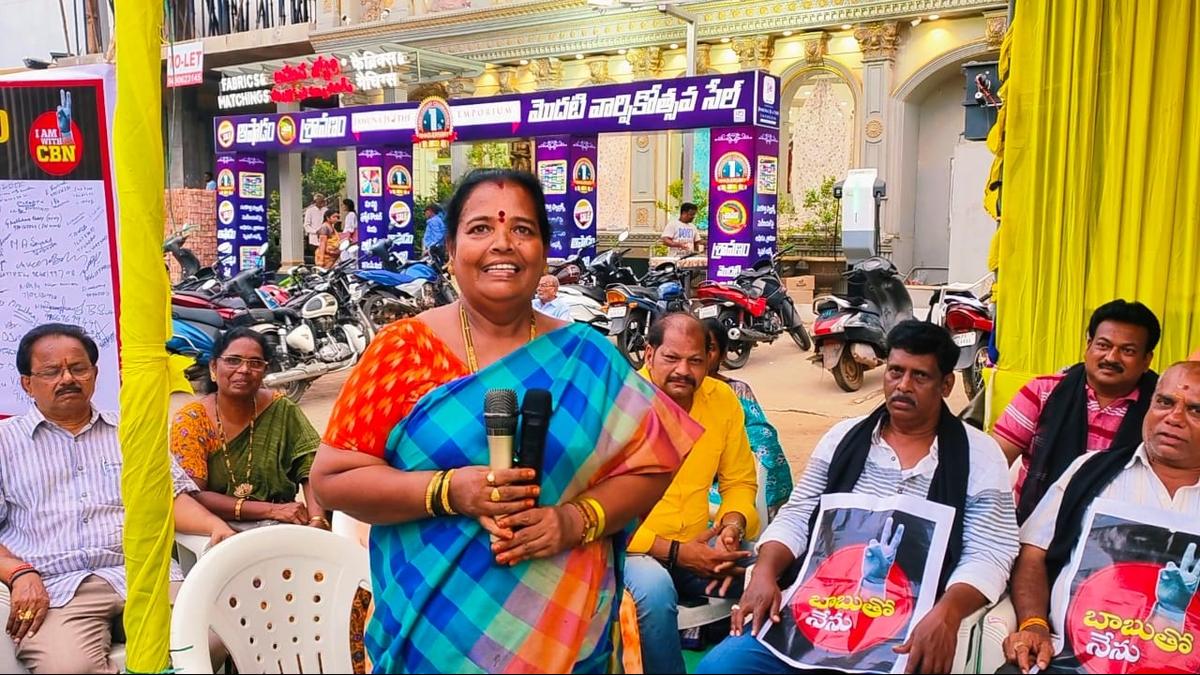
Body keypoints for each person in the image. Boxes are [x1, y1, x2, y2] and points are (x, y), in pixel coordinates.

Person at [309, 168, 701, 673]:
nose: (503, 244)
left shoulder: (587, 355)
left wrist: (572, 522)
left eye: (522, 229)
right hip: (433, 643)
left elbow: (654, 462)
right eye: (480, 229)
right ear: (450, 250)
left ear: (542, 250)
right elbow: (334, 478)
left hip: (565, 641)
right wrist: (448, 491)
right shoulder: (402, 351)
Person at [698, 321, 1019, 675]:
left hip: (910, 617)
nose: (903, 386)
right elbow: (798, 515)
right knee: (721, 666)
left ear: (946, 385)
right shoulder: (843, 438)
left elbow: (990, 551)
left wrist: (947, 612)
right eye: (895, 371)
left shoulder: (979, 455)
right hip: (820, 604)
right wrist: (765, 572)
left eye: (920, 377)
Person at [0, 323, 234, 673]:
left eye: (78, 368)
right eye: (51, 371)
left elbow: (168, 498)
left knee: (211, 637)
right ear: (27, 383)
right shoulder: (4, 442)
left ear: (94, 374)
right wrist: (18, 573)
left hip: (143, 574)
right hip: (56, 587)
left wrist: (216, 528)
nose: (67, 379)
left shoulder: (131, 430)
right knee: (69, 669)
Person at [1000, 361, 1200, 674]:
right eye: (1165, 402)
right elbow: (1032, 552)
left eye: (1195, 410)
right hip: (1071, 661)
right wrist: (1035, 624)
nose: (1173, 418)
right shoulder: (1091, 472)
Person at [625, 313, 760, 674]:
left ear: (710, 359)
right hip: (631, 551)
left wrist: (732, 526)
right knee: (654, 592)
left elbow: (739, 483)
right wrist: (676, 552)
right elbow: (597, 514)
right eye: (671, 358)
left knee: (775, 574)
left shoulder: (722, 401)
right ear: (649, 354)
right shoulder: (620, 403)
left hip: (703, 553)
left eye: (695, 360)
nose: (683, 370)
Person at [992, 299, 1160, 523]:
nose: (1111, 357)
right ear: (1088, 346)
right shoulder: (1043, 392)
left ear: (1146, 360)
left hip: (1116, 540)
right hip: (1031, 529)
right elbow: (993, 464)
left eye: (1127, 350)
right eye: (1103, 345)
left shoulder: (1162, 410)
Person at [171, 327, 326, 530]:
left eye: (255, 363)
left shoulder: (281, 408)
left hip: (282, 524)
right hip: (215, 528)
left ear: (264, 372)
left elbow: (312, 469)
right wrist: (269, 510)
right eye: (233, 360)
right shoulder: (192, 419)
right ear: (213, 367)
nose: (244, 369)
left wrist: (317, 521)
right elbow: (192, 495)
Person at [702, 318, 793, 515]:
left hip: (725, 479)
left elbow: (763, 439)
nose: (700, 356)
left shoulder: (736, 392)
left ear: (723, 354)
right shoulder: (674, 392)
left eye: (709, 348)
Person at [302, 193, 328, 264]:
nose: (321, 203)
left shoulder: (326, 210)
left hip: (325, 237)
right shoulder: (310, 211)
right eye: (319, 201)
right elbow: (306, 225)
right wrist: (316, 231)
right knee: (317, 255)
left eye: (322, 201)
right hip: (314, 238)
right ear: (315, 201)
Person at [339, 198, 359, 264]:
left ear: (347, 205)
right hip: (350, 237)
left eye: (343, 205)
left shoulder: (351, 215)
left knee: (346, 255)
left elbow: (350, 228)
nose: (342, 206)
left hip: (349, 238)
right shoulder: (352, 214)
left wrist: (347, 238)